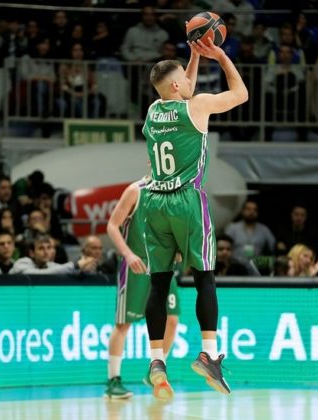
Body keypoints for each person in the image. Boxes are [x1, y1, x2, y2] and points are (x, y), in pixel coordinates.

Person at [141, 37, 248, 399]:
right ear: (176, 86)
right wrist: (220, 56)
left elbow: (180, 88)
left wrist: (193, 56)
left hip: (153, 201)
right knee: (204, 277)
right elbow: (241, 94)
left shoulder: (153, 111)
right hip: (185, 200)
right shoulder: (198, 106)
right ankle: (209, 354)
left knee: (159, 283)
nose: (191, 82)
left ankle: (157, 361)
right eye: (185, 80)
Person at [104, 177, 181, 399]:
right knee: (123, 324)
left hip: (162, 266)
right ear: (151, 161)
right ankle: (113, 381)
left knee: (172, 320)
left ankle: (155, 370)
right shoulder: (135, 191)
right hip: (136, 266)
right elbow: (112, 226)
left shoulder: (174, 193)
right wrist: (128, 254)